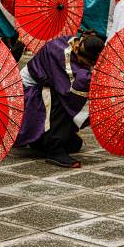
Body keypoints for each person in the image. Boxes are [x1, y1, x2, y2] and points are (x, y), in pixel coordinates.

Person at [19, 33, 104, 168]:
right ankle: (54, 149)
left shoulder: (78, 45)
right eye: (87, 63)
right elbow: (70, 88)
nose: (88, 66)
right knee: (64, 97)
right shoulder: (60, 53)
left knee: (74, 144)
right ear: (77, 49)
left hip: (47, 86)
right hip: (28, 93)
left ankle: (44, 139)